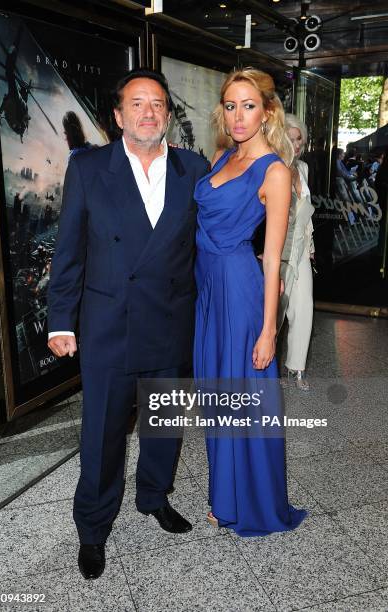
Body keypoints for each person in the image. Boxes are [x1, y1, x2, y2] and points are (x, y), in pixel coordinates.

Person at [48, 68, 209, 579]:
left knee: (164, 426)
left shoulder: (193, 168)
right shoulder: (90, 168)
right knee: (102, 434)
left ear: (168, 115)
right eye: (137, 103)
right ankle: (93, 529)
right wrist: (59, 321)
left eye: (158, 104)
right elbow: (69, 250)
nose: (149, 112)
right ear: (118, 116)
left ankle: (154, 497)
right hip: (107, 325)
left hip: (169, 320)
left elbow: (207, 247)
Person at [193, 68, 306, 536]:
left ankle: (251, 503)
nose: (238, 116)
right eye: (231, 105)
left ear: (268, 112)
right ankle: (226, 495)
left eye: (249, 106)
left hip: (240, 292)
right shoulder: (221, 156)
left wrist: (268, 330)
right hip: (207, 291)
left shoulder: (275, 171)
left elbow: (274, 257)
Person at [277, 114, 315, 391]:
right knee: (275, 312)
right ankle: (264, 368)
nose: (296, 143)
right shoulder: (271, 168)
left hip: (301, 248)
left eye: (299, 138)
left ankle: (295, 369)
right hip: (278, 250)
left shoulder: (302, 169)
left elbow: (306, 213)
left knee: (303, 308)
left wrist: (311, 247)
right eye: (290, 138)